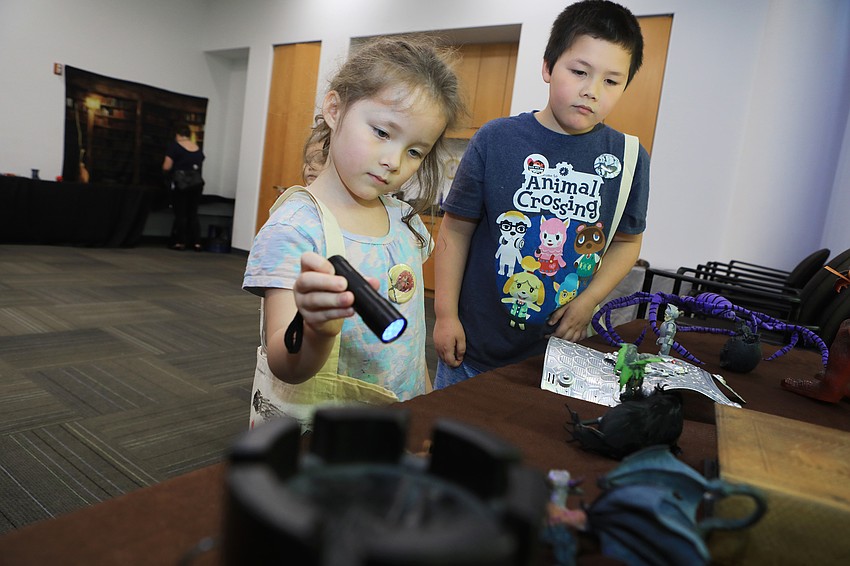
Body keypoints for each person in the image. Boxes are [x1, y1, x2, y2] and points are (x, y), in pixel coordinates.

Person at [243, 36, 464, 428]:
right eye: (381, 132)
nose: (393, 161)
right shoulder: (295, 228)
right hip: (322, 437)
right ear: (334, 108)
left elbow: (410, 345)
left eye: (415, 151)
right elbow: (284, 364)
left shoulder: (403, 221)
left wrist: (424, 401)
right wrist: (315, 331)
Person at [434, 0, 650, 388]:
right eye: (579, 71)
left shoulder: (630, 157)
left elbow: (627, 243)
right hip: (473, 348)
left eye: (611, 81)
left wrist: (589, 302)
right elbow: (454, 230)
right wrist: (445, 314)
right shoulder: (495, 139)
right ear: (549, 67)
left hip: (558, 359)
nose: (591, 91)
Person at [162, 125, 205, 251]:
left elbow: (166, 166)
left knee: (181, 213)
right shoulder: (197, 148)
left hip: (181, 184)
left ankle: (180, 242)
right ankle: (197, 242)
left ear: (177, 134)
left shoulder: (175, 147)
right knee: (193, 213)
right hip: (196, 184)